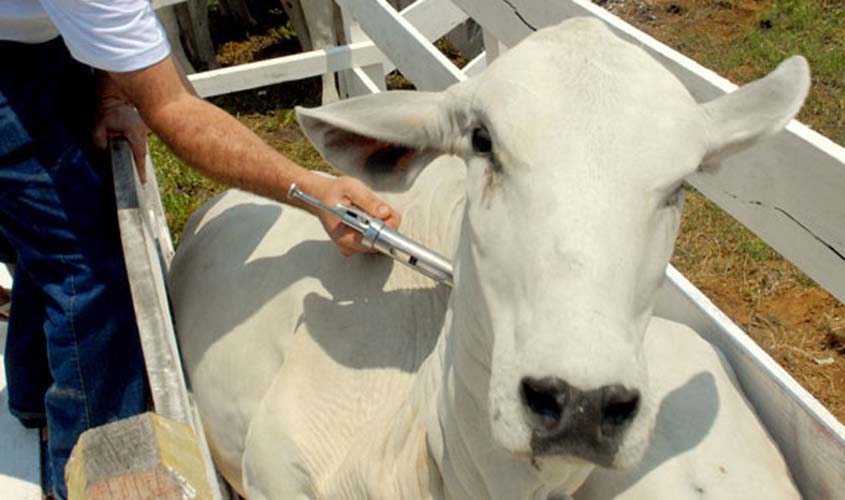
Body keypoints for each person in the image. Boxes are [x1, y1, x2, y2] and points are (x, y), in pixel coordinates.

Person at [0, 1, 401, 497]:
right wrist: (310, 190)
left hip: (34, 36)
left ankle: (31, 393)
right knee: (87, 268)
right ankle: (96, 471)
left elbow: (110, 27)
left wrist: (112, 90)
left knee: (55, 225)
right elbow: (174, 110)